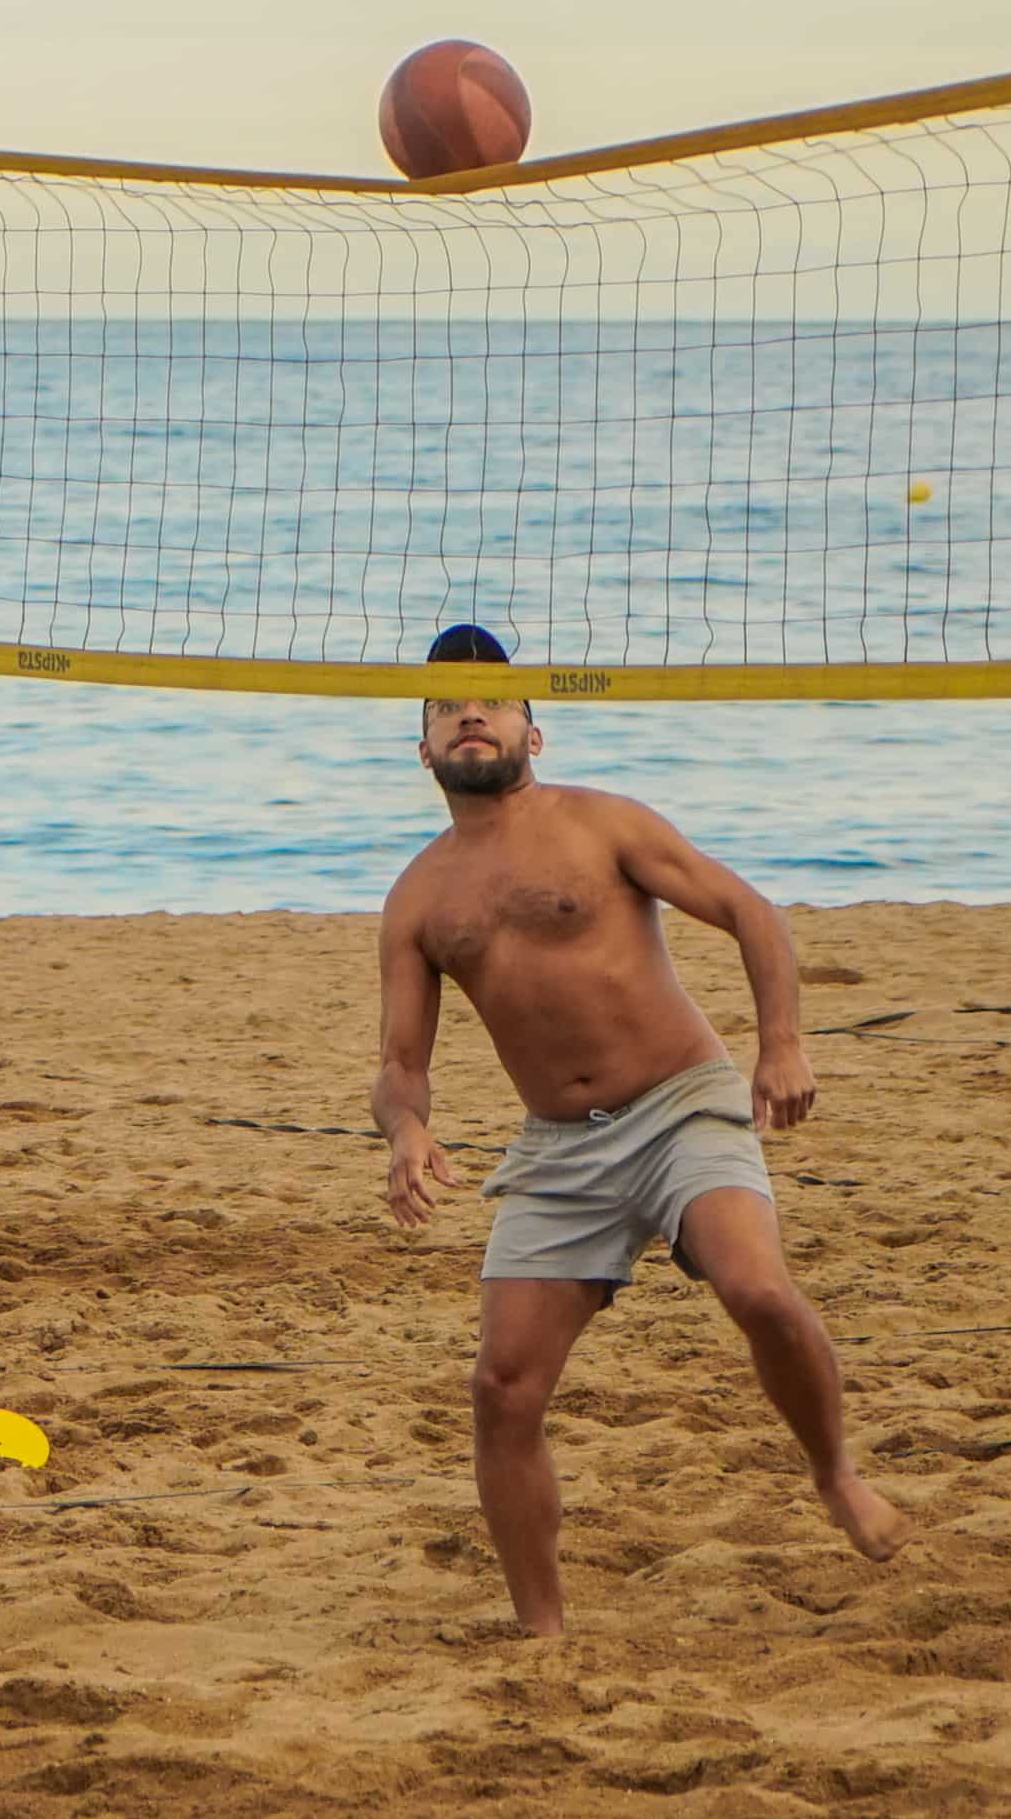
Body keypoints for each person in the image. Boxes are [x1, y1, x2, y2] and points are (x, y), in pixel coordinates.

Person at [372, 626, 899, 1637]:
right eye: (447, 707)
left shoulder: (602, 824)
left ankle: (834, 1474)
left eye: (494, 701)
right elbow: (401, 1066)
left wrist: (780, 1044)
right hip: (560, 1149)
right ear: (424, 747)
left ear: (536, 728)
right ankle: (543, 1636)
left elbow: (748, 911)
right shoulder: (419, 896)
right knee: (501, 1386)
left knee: (755, 1288)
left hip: (679, 1104)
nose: (471, 715)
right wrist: (405, 1133)